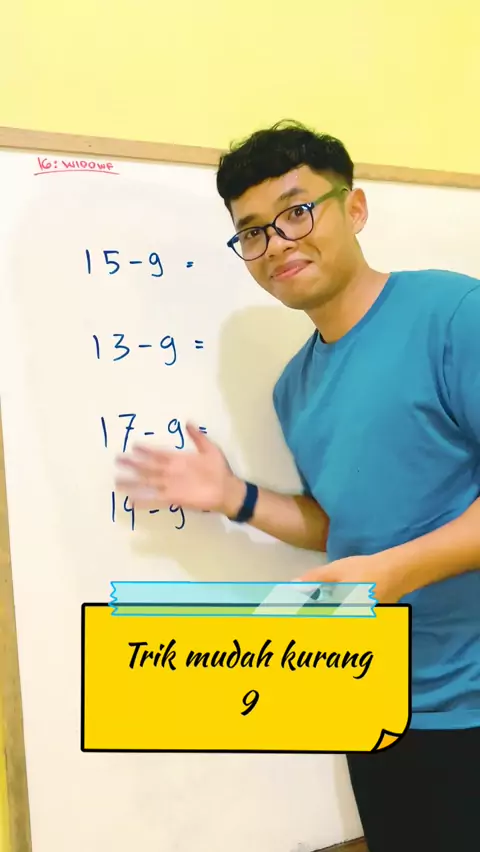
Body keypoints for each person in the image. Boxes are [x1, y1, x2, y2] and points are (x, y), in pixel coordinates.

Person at [115, 120, 480, 851]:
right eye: (252, 231)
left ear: (356, 207)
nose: (277, 242)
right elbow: (346, 524)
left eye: (297, 211)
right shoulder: (295, 388)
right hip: (372, 695)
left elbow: (385, 558)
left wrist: (393, 573)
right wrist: (235, 497)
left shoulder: (453, 315)